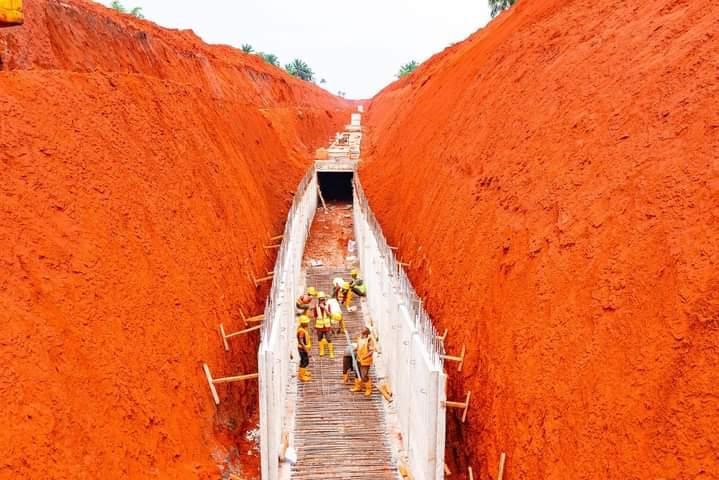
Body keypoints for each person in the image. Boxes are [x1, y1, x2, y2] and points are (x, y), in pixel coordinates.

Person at [351, 327, 374, 396]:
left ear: (366, 334)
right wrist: (355, 349)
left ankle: (368, 389)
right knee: (357, 373)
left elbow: (371, 351)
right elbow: (358, 347)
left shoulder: (369, 340)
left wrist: (364, 357)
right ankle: (358, 387)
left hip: (365, 361)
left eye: (362, 332)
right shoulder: (360, 338)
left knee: (364, 375)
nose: (361, 334)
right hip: (358, 359)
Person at [313, 292, 334, 358]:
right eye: (321, 299)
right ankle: (321, 351)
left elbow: (330, 315)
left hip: (327, 326)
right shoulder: (316, 307)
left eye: (323, 299)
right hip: (319, 326)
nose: (322, 300)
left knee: (329, 339)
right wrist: (314, 327)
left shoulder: (328, 305)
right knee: (320, 338)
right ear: (319, 299)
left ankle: (331, 352)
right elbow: (315, 317)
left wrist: (324, 308)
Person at [296, 315, 312, 382]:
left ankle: (304, 372)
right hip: (302, 349)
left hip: (304, 349)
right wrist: (306, 350)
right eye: (306, 322)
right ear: (303, 323)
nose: (308, 323)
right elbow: (301, 341)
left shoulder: (303, 329)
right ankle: (301, 376)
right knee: (304, 362)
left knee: (306, 361)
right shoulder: (301, 331)